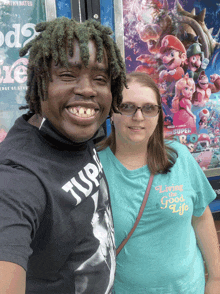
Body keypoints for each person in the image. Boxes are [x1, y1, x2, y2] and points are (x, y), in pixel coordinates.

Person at [0, 17, 126, 293]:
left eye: (100, 79)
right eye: (68, 75)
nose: (87, 89)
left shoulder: (74, 132)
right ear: (39, 82)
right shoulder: (16, 177)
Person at [98, 71, 220, 293]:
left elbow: (200, 217)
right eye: (127, 106)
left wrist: (216, 279)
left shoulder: (180, 157)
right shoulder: (94, 168)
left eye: (148, 108)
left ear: (158, 115)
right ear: (111, 113)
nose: (138, 116)